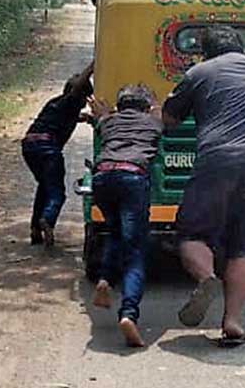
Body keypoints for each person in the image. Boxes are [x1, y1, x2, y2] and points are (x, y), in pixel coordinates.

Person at [162, 26, 245, 347]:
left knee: (191, 233)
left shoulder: (200, 72)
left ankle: (207, 278)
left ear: (206, 52)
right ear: (242, 49)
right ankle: (232, 321)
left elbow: (169, 119)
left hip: (218, 160)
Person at [89, 85, 163, 348]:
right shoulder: (152, 123)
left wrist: (104, 113)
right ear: (145, 107)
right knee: (135, 251)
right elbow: (161, 113)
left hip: (103, 177)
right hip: (132, 177)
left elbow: (100, 117)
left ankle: (105, 280)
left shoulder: (109, 123)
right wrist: (155, 103)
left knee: (115, 232)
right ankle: (129, 314)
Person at [22, 61, 94, 247]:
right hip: (48, 148)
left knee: (45, 186)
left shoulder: (56, 103)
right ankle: (48, 219)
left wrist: (84, 118)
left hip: (29, 145)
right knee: (57, 193)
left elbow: (67, 116)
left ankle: (35, 230)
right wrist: (94, 64)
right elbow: (77, 90)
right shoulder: (71, 101)